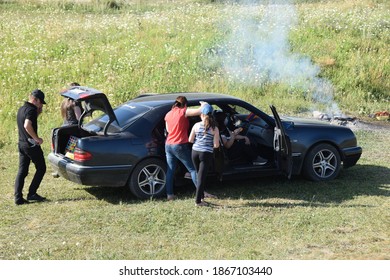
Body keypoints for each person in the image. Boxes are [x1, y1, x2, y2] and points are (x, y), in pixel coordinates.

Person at [164, 96, 213, 201]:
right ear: (185, 104)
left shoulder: (168, 114)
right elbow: (201, 111)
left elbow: (168, 130)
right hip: (180, 145)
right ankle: (201, 193)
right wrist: (203, 103)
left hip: (168, 144)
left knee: (170, 170)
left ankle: (170, 195)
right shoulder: (183, 112)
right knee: (193, 169)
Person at [14, 89, 47, 205]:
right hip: (31, 145)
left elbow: (25, 123)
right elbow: (27, 125)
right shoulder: (32, 110)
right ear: (34, 99)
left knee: (22, 171)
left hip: (22, 144)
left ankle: (18, 198)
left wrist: (38, 113)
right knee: (41, 168)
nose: (41, 104)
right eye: (40, 102)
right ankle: (32, 193)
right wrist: (37, 139)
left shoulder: (22, 109)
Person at [189, 104, 220, 206]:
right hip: (205, 154)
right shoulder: (215, 128)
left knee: (198, 175)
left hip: (194, 152)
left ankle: (201, 197)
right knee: (202, 178)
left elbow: (190, 140)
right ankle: (198, 201)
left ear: (201, 115)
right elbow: (216, 145)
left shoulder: (196, 125)